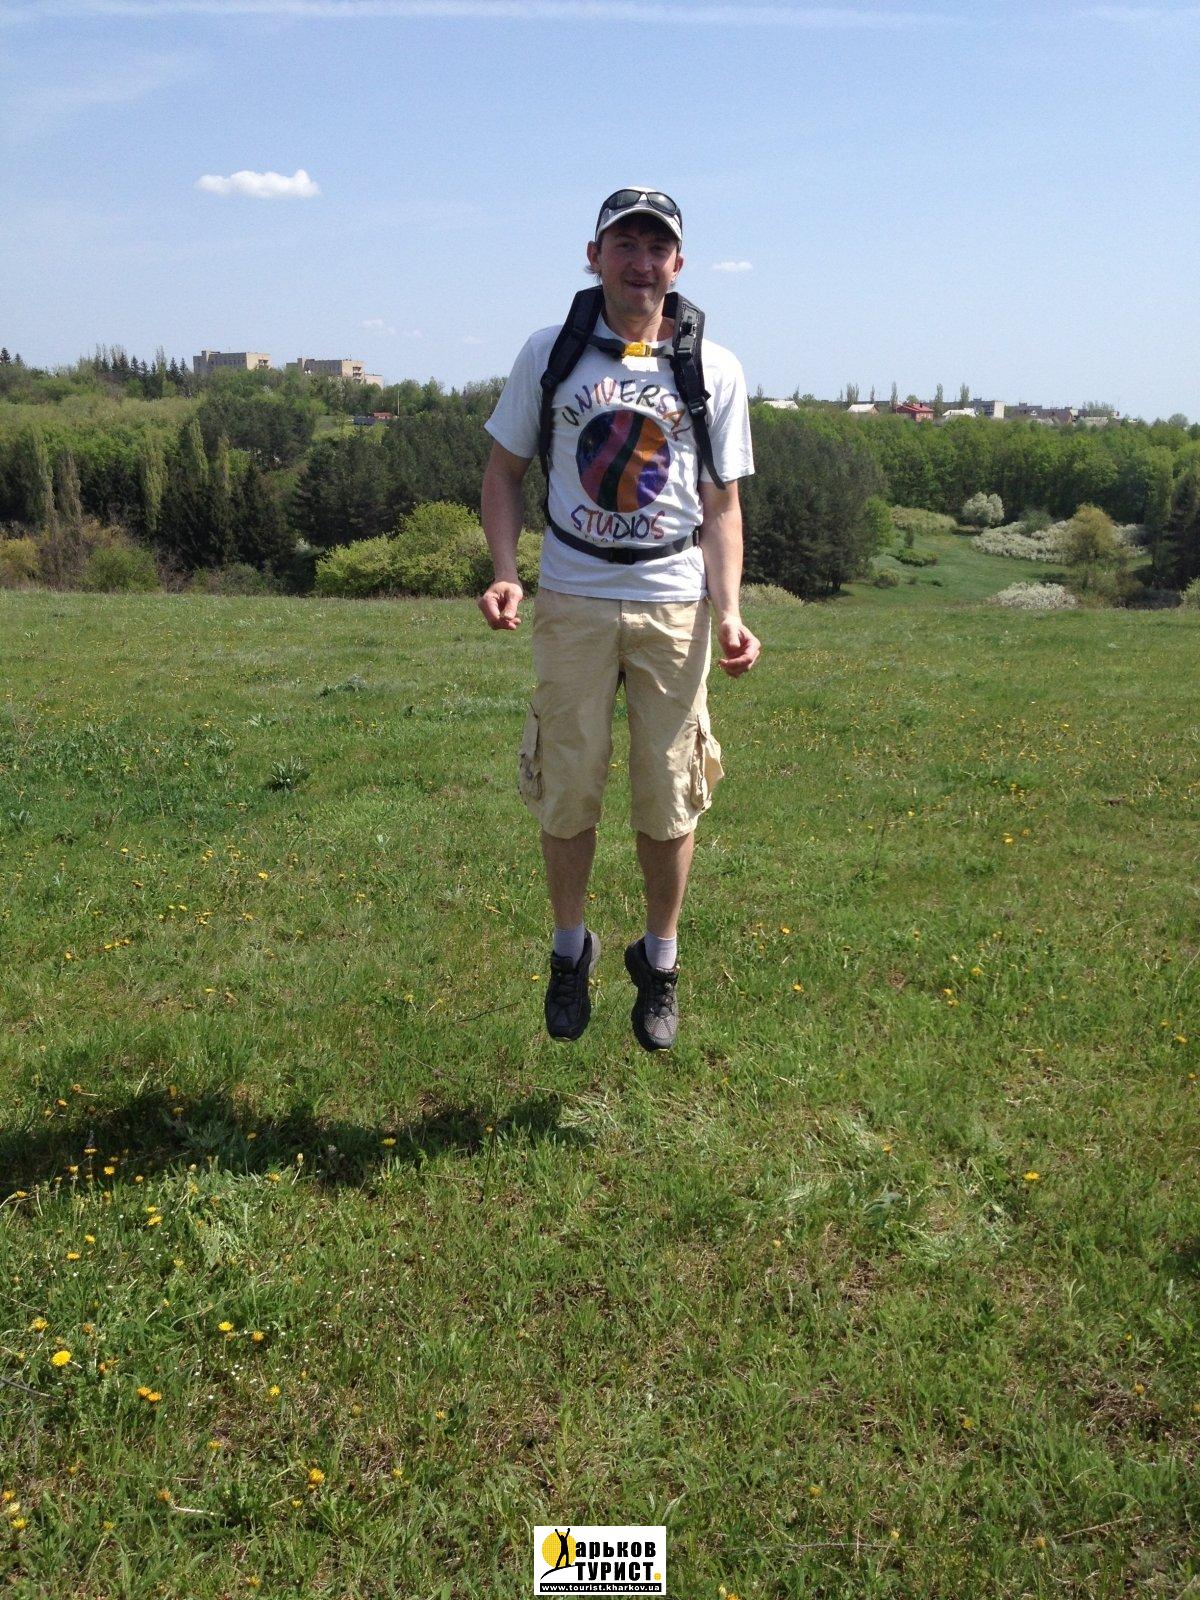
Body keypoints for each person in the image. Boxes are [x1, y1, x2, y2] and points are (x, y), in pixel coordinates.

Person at [478, 186, 760, 1051]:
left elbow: (722, 506)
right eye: (624, 245)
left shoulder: (714, 368)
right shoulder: (550, 352)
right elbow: (502, 474)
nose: (641, 263)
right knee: (568, 787)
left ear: (678, 263)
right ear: (594, 255)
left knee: (670, 795)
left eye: (656, 248)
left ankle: (658, 960)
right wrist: (505, 572)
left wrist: (730, 611)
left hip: (674, 604)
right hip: (572, 599)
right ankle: (571, 951)